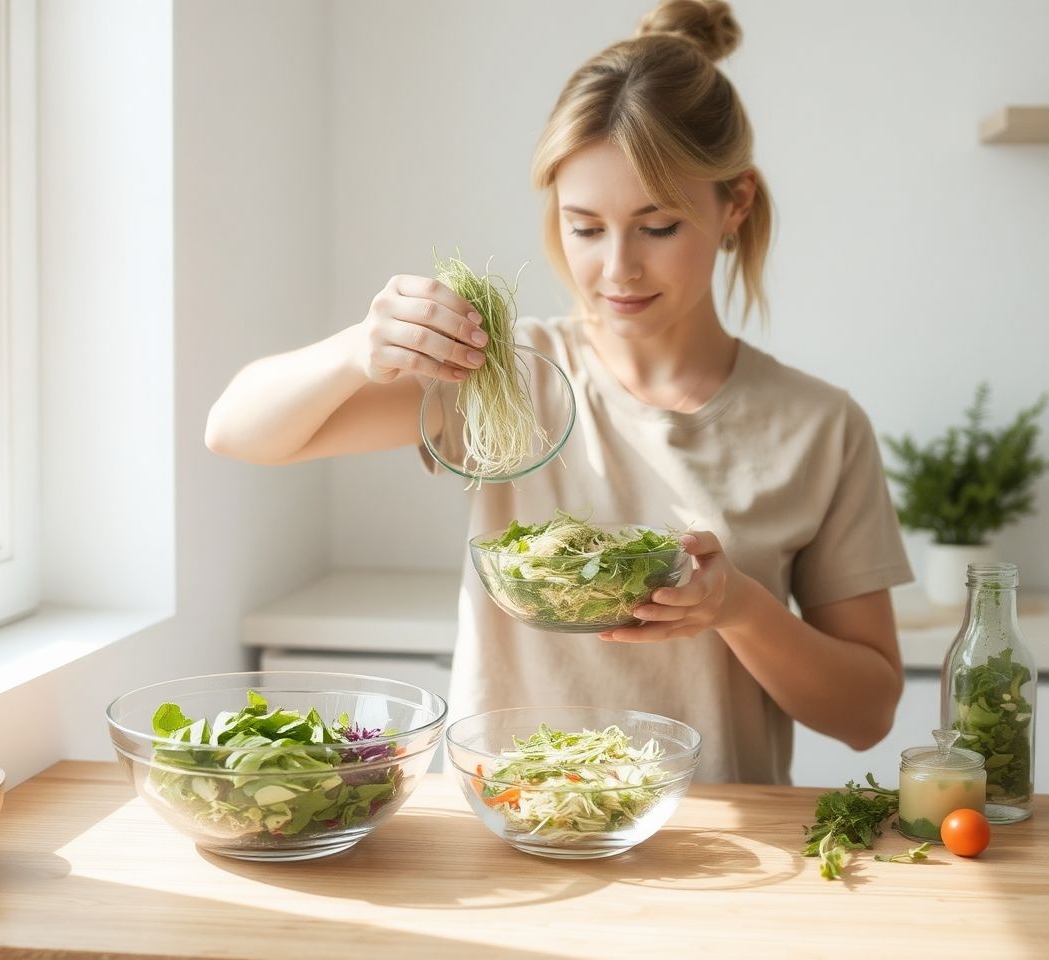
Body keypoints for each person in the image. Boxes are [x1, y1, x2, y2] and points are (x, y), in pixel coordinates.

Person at [205, 0, 912, 783]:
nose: (618, 269)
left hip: (715, 837)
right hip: (508, 823)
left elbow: (867, 714)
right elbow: (235, 431)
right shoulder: (507, 376)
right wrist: (357, 349)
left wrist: (736, 609)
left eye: (658, 226)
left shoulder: (820, 427)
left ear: (734, 204)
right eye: (585, 226)